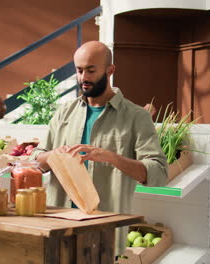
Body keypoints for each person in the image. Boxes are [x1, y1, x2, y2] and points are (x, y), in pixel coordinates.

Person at [32, 41, 168, 256]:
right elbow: (37, 161)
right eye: (79, 70)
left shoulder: (136, 116)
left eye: (91, 70)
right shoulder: (63, 112)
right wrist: (51, 155)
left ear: (110, 70)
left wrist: (112, 158)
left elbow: (158, 173)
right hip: (58, 227)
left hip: (105, 232)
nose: (83, 77)